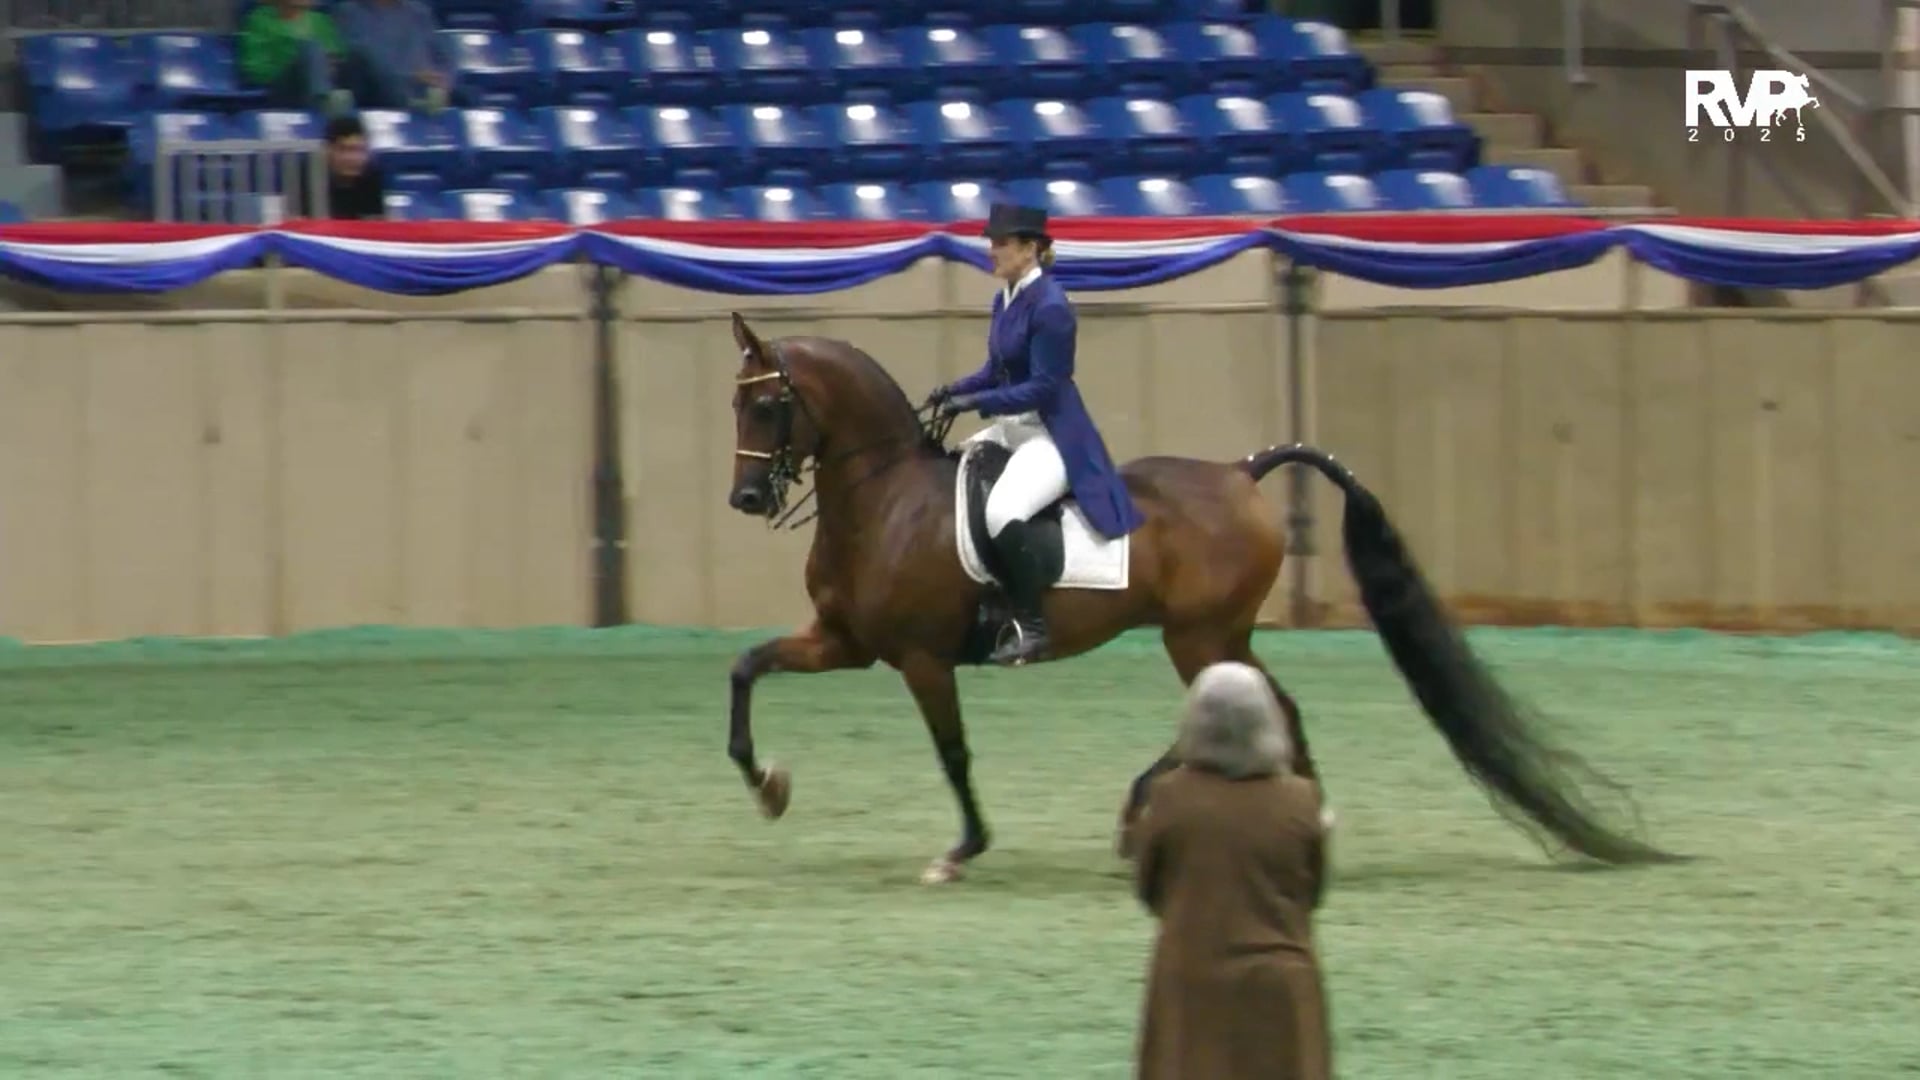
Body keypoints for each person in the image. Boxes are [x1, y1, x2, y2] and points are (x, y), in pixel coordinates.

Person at [926, 203, 1146, 666]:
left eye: (1001, 243)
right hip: (1011, 429)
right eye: (992, 243)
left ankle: (1034, 628)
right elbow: (996, 369)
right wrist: (954, 390)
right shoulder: (1004, 299)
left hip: (1051, 435)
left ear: (1030, 249)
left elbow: (1046, 386)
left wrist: (978, 402)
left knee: (1003, 511)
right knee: (952, 478)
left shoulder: (1051, 306)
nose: (992, 251)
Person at [1132, 662, 1333, 1080]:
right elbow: (1312, 893)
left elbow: (1149, 890)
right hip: (1282, 986)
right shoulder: (1303, 800)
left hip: (1190, 976)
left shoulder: (1168, 797)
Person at [333, 0, 463, 112]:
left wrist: (444, 82)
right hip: (381, 93)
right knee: (360, 62)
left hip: (426, 89)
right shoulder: (350, 12)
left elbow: (443, 51)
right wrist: (412, 76)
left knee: (462, 98)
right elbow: (366, 61)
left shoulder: (419, 12)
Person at [236, 0, 352, 115]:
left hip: (328, 80)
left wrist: (326, 65)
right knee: (310, 48)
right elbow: (255, 70)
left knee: (356, 56)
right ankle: (322, 103)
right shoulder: (259, 20)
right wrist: (293, 62)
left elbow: (336, 55)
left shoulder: (320, 20)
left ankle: (360, 108)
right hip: (282, 85)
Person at [319, 114, 386, 220]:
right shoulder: (309, 180)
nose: (353, 158)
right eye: (344, 149)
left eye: (360, 150)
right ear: (328, 150)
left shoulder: (373, 179)